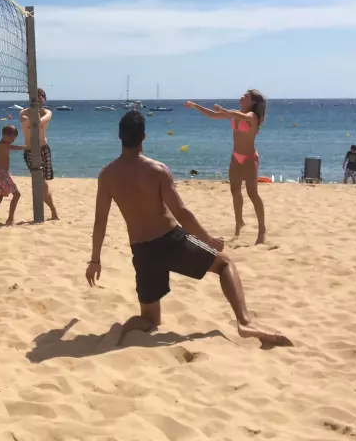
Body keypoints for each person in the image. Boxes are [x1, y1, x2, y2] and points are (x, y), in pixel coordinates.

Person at [86, 111, 291, 347]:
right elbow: (182, 213)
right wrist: (208, 239)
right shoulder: (157, 170)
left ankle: (122, 329)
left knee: (150, 320)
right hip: (171, 241)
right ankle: (244, 322)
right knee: (224, 263)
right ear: (144, 137)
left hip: (142, 252)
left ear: (120, 137)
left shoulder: (107, 175)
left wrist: (95, 260)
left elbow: (100, 221)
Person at [184, 90, 268, 244]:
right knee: (235, 191)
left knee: (252, 193)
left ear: (252, 102)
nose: (242, 96)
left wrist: (224, 111)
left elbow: (242, 117)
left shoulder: (252, 116)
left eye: (246, 96)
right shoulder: (234, 113)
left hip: (250, 158)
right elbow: (211, 115)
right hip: (236, 157)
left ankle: (262, 230)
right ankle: (239, 223)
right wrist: (195, 105)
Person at [20, 88, 58, 220]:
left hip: (43, 148)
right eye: (36, 96)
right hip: (30, 150)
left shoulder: (47, 112)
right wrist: (31, 121)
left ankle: (52, 212)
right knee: (40, 182)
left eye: (41, 96)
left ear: (44, 99)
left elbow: (41, 121)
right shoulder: (23, 112)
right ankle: (53, 211)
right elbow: (25, 120)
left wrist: (36, 121)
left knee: (44, 182)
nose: (39, 98)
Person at [0, 125, 26, 226]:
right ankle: (10, 219)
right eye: (13, 138)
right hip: (2, 174)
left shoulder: (3, 144)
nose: (13, 140)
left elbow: (12, 147)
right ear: (5, 136)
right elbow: (15, 147)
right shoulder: (2, 145)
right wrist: (26, 147)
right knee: (17, 194)